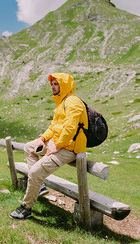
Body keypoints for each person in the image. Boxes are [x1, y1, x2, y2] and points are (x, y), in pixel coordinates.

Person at [10, 73, 88, 220]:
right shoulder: (62, 102)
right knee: (29, 147)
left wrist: (57, 146)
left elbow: (70, 129)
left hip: (69, 148)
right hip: (59, 143)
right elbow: (54, 126)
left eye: (56, 84)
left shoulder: (74, 102)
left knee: (34, 173)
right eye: (52, 84)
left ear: (64, 85)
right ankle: (39, 186)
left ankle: (26, 208)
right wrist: (43, 138)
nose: (53, 86)